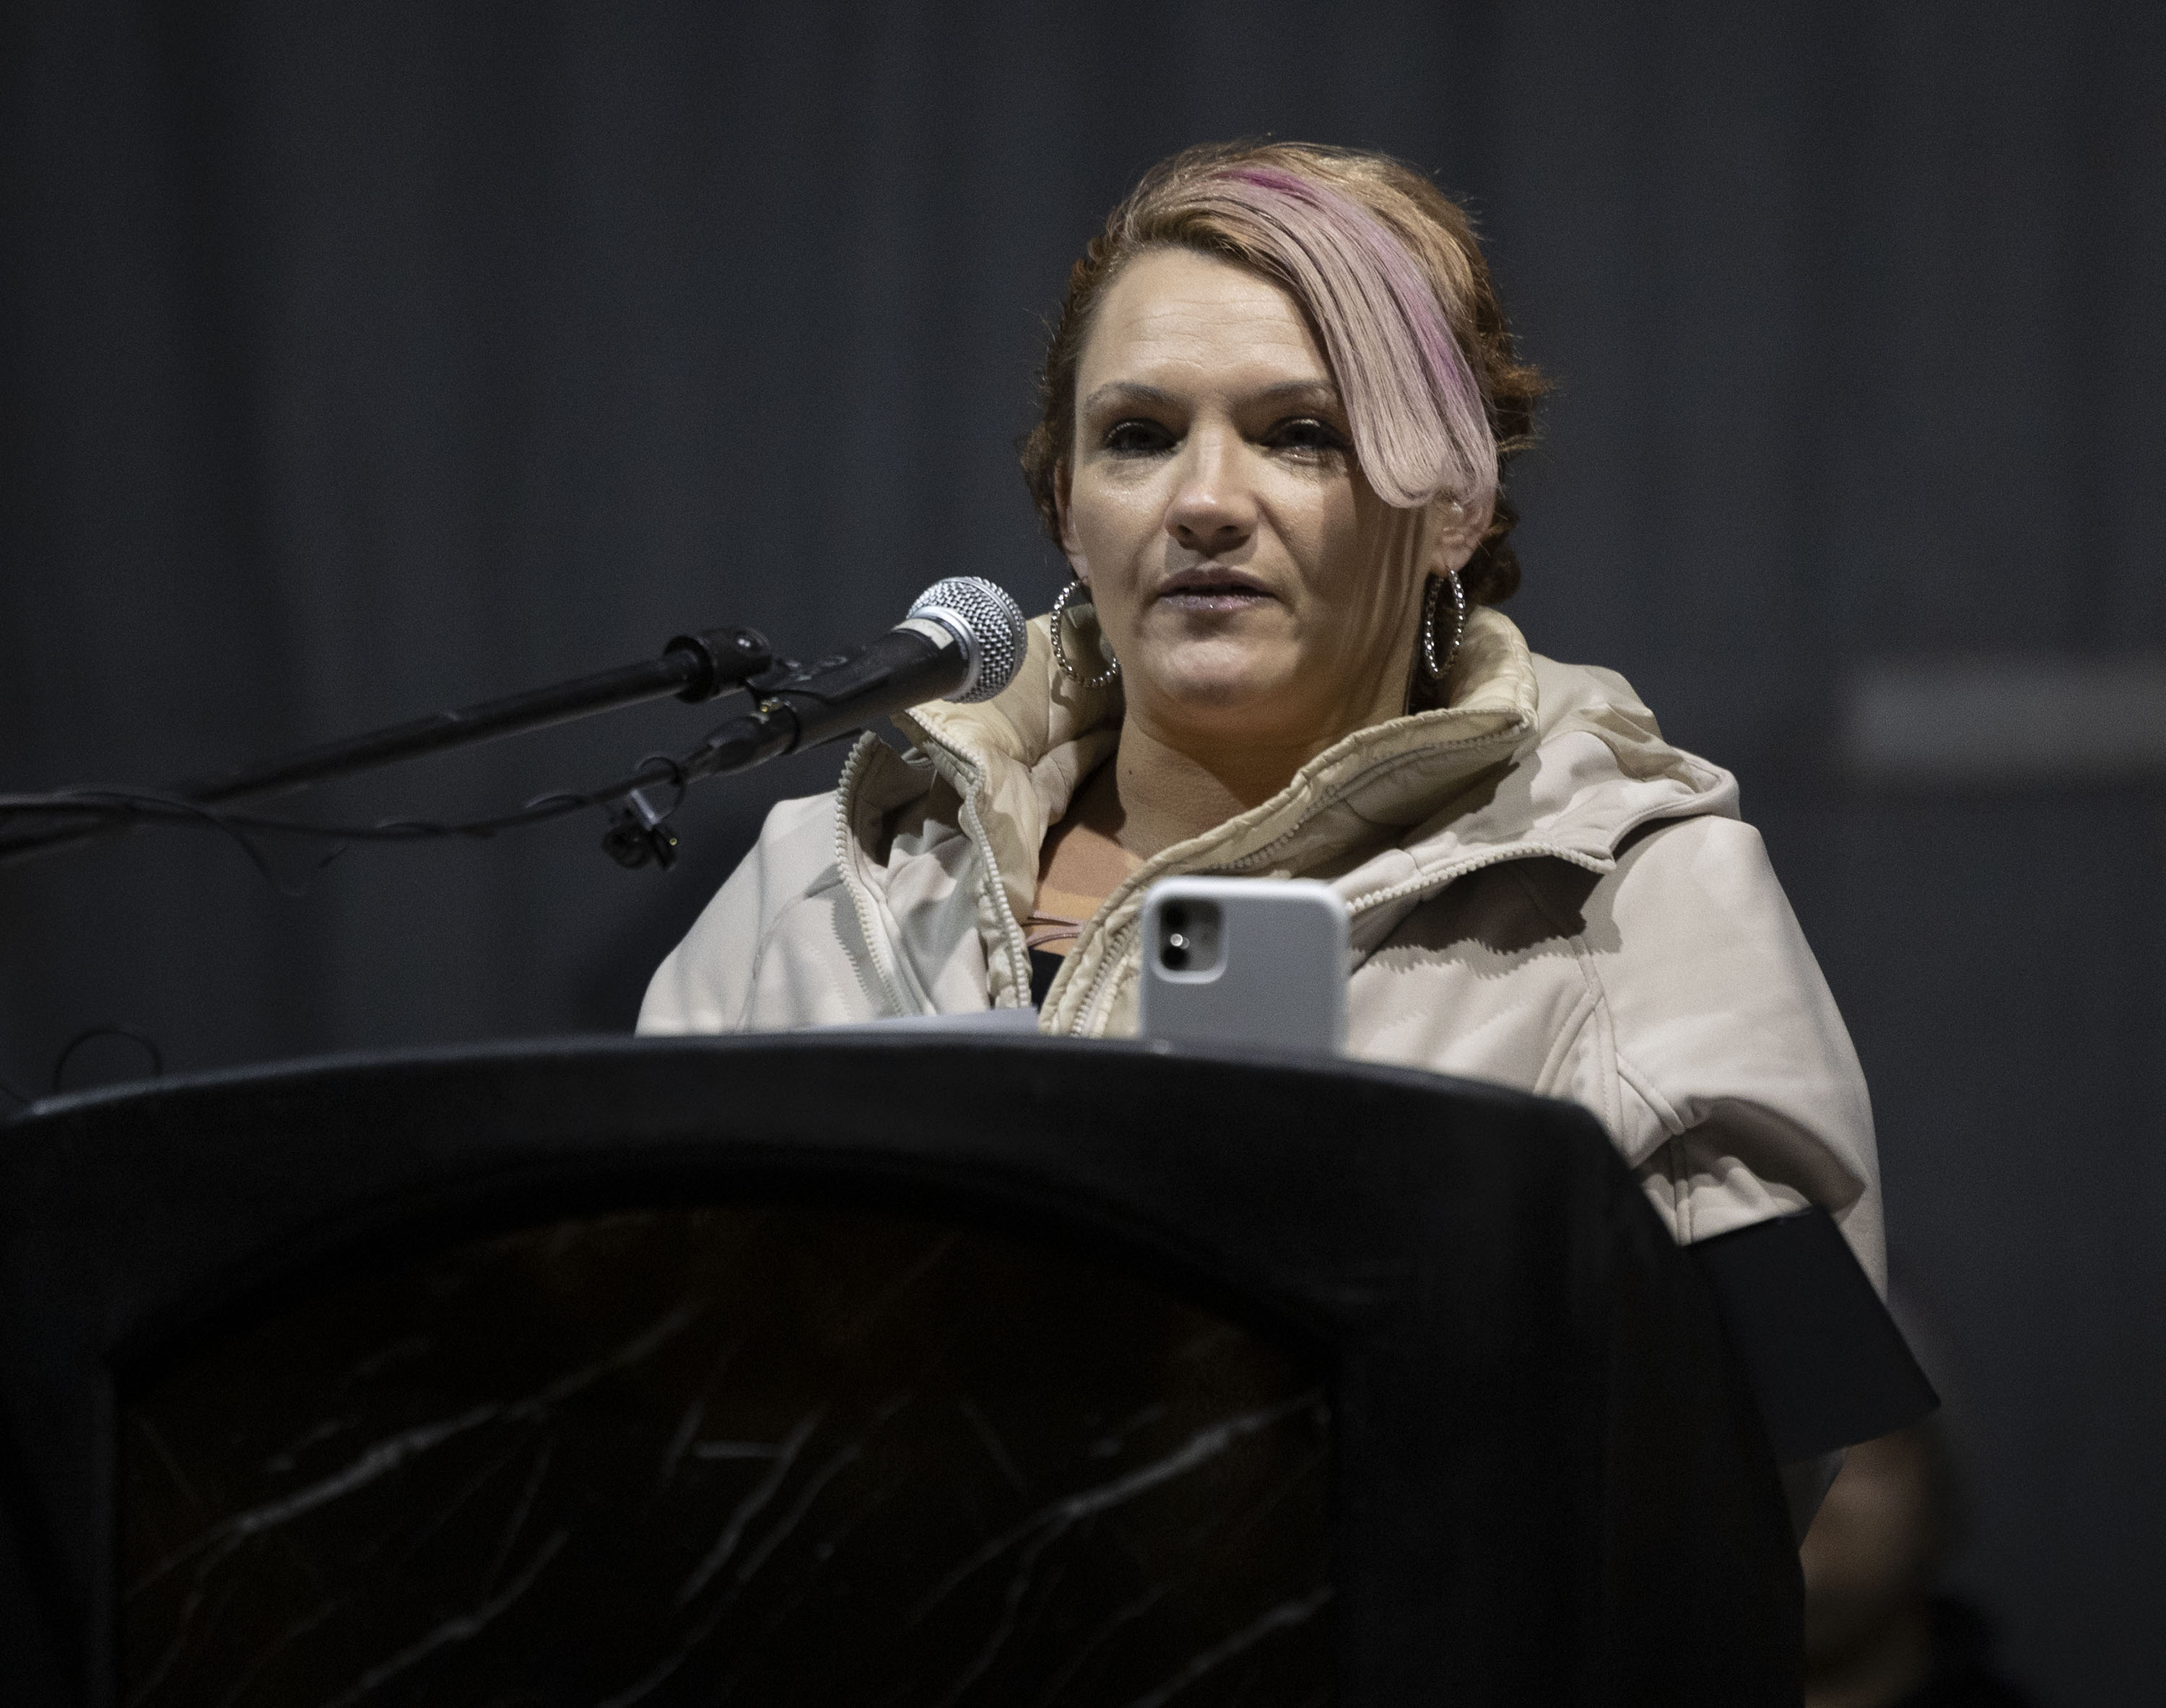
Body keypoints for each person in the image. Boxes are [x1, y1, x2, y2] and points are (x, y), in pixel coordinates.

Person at [640, 139, 1884, 1299]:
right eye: (1140, 437)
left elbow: (1732, 1463)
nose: (1205, 501)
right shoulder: (812, 884)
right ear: (1067, 508)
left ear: (1454, 502)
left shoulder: (1635, 896)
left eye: (1300, 435)